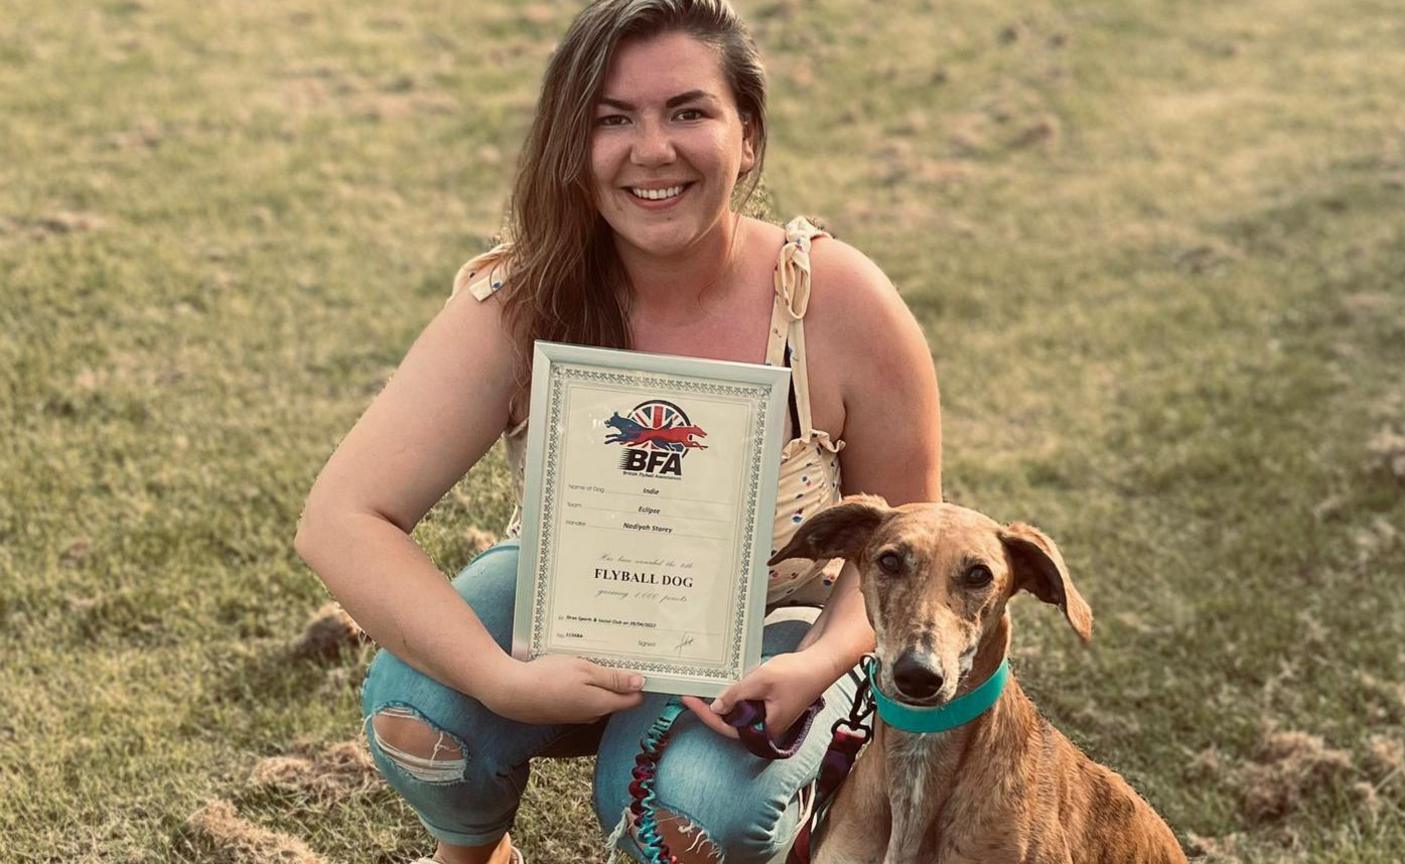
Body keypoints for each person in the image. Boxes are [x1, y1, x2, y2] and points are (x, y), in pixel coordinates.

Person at [294, 1, 940, 862]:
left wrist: (814, 668)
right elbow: (340, 520)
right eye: (613, 119)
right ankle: (476, 854)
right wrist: (505, 683)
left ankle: (778, 799)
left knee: (695, 817)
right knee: (421, 715)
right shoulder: (522, 300)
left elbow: (909, 539)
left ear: (747, 134)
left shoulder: (840, 300)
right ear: (573, 145)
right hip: (577, 595)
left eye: (688, 111)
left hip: (784, 618)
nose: (652, 150)